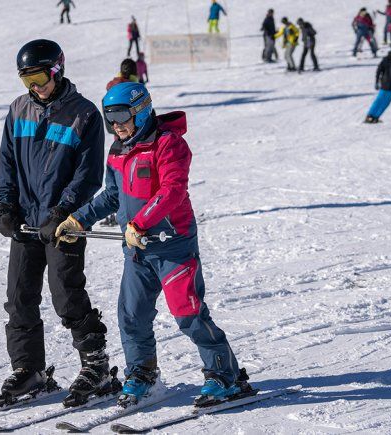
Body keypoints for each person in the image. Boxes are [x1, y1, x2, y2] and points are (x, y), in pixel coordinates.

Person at [55, 82, 252, 407]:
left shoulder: (168, 144)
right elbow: (113, 195)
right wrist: (78, 219)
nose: (116, 125)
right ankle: (141, 374)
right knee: (131, 315)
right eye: (109, 118)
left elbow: (173, 190)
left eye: (122, 116)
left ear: (141, 111)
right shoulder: (118, 150)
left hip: (173, 246)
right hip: (137, 250)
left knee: (189, 314)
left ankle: (225, 376)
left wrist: (140, 223)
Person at [0, 39, 116, 408]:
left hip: (64, 223)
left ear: (57, 71)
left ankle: (96, 365)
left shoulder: (84, 115)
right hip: (26, 221)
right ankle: (29, 369)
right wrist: (6, 206)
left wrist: (63, 211)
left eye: (40, 78)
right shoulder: (18, 110)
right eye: (27, 80)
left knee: (66, 295)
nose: (35, 87)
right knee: (19, 297)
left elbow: (88, 175)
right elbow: (7, 163)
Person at [365, 44, 391, 123]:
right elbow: (379, 70)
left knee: (386, 102)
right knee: (379, 100)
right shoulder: (386, 59)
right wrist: (377, 82)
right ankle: (369, 116)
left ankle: (376, 117)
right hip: (385, 84)